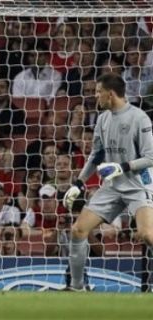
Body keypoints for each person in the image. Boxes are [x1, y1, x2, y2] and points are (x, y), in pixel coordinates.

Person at [63, 73, 153, 291]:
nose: (95, 95)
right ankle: (76, 288)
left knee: (147, 234)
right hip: (112, 187)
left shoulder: (139, 118)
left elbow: (150, 158)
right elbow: (96, 156)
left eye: (98, 91)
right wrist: (79, 183)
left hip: (138, 185)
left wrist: (122, 167)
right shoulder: (102, 119)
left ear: (110, 94)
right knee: (78, 230)